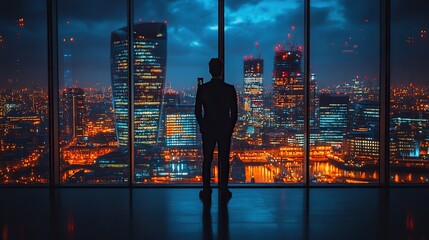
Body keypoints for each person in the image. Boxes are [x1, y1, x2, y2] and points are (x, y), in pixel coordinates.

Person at [195, 58, 237, 201]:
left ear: (210, 71)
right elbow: (234, 113)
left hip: (208, 129)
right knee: (224, 160)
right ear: (222, 71)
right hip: (224, 129)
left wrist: (202, 126)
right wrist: (229, 128)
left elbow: (197, 111)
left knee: (207, 160)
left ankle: (206, 190)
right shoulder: (230, 89)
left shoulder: (203, 89)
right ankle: (224, 190)